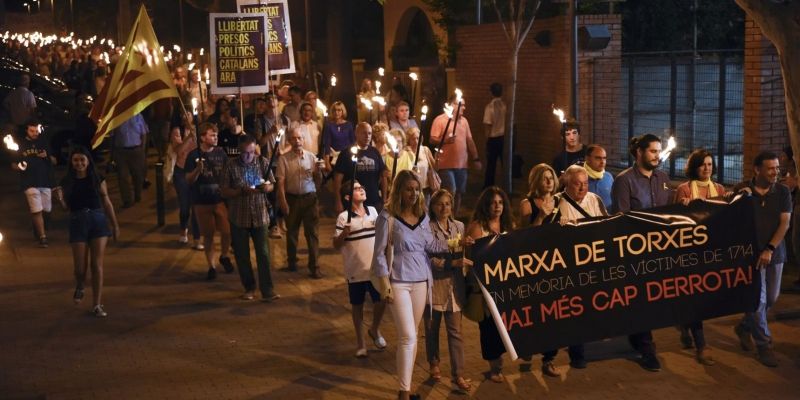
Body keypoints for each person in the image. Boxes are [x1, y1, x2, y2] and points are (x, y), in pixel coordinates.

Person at [371, 170, 458, 400]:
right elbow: (379, 253)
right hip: (398, 282)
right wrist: (384, 284)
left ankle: (406, 387)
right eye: (409, 189)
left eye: (416, 189)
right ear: (399, 190)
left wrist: (455, 243)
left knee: (413, 334)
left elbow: (431, 244)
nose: (414, 193)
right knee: (407, 336)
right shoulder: (387, 217)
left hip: (421, 281)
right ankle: (404, 392)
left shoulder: (423, 217)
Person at [611, 133, 671, 371]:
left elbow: (670, 211)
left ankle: (637, 335)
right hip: (637, 253)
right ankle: (647, 349)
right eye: (653, 151)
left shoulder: (664, 178)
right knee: (643, 299)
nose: (658, 156)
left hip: (661, 250)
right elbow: (621, 218)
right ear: (639, 153)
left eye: (659, 151)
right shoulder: (624, 181)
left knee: (651, 300)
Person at [732, 151, 791, 367]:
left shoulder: (782, 191)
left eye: (777, 168)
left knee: (772, 299)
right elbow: (725, 214)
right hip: (750, 256)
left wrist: (770, 248)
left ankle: (745, 326)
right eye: (771, 168)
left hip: (775, 255)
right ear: (757, 170)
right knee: (758, 300)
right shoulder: (742, 190)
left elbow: (784, 223)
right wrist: (741, 199)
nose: (776, 172)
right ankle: (764, 345)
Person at [673, 148, 726, 366]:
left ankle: (685, 325)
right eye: (703, 164)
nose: (707, 168)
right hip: (690, 253)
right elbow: (674, 219)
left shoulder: (720, 189)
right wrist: (683, 208)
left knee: (702, 298)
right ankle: (701, 345)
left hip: (711, 251)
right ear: (694, 166)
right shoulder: (684, 189)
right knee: (696, 297)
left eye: (710, 164)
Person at [53, 146, 119, 318]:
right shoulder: (67, 181)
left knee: (96, 265)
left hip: (98, 221)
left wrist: (115, 224)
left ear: (88, 161)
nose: (79, 163)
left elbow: (107, 202)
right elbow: (67, 208)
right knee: (79, 268)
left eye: (82, 159)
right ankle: (80, 284)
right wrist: (60, 200)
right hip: (78, 222)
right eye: (76, 160)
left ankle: (96, 304)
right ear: (71, 162)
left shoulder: (97, 178)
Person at [220, 135, 280, 302]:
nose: (249, 156)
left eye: (252, 152)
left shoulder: (262, 163)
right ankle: (249, 287)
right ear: (239, 150)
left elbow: (272, 184)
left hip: (260, 216)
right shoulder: (231, 166)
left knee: (264, 254)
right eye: (246, 153)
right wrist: (240, 192)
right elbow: (224, 190)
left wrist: (266, 188)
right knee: (242, 255)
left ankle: (267, 289)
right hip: (239, 217)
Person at [425, 189, 472, 393]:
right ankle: (434, 363)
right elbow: (430, 259)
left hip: (455, 286)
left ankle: (458, 374)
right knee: (432, 330)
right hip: (435, 286)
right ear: (432, 207)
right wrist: (453, 262)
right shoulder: (427, 228)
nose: (444, 208)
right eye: (439, 204)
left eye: (447, 204)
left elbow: (465, 252)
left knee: (456, 333)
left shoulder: (459, 226)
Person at [465, 186, 514, 383]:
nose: (497, 206)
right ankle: (495, 366)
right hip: (485, 287)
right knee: (489, 328)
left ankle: (501, 358)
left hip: (506, 284)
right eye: (493, 202)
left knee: (506, 325)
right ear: (486, 204)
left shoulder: (508, 224)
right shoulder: (478, 227)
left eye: (501, 202)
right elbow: (474, 257)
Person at [333, 180, 386, 358]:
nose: (362, 190)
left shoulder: (373, 211)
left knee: (381, 301)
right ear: (348, 197)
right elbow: (336, 244)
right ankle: (361, 343)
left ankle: (374, 329)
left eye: (362, 187)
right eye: (357, 189)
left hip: (374, 269)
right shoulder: (343, 217)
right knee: (358, 307)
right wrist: (344, 234)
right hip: (355, 271)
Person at [185, 122, 236, 280]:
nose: (215, 138)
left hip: (219, 200)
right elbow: (188, 180)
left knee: (227, 231)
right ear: (202, 137)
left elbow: (229, 173)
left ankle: (224, 255)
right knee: (208, 235)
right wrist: (197, 171)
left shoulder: (221, 153)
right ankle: (211, 266)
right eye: (212, 135)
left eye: (216, 135)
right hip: (201, 202)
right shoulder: (193, 156)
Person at [276, 127, 323, 278]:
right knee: (292, 232)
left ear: (303, 140)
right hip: (292, 198)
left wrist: (319, 172)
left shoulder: (311, 157)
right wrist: (283, 201)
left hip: (309, 198)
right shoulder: (284, 159)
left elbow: (318, 181)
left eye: (299, 138)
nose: (297, 141)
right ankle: (291, 262)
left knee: (312, 233)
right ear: (289, 141)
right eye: (293, 139)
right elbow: (280, 183)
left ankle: (314, 266)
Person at [429, 94, 482, 216]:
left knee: (459, 192)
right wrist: (446, 140)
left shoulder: (464, 122)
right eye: (461, 105)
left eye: (464, 105)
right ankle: (445, 215)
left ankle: (455, 216)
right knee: (450, 190)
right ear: (452, 105)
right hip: (445, 164)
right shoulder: (440, 120)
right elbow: (432, 139)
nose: (464, 107)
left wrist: (476, 158)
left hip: (462, 164)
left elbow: (469, 140)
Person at [12, 120, 56, 247]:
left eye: (36, 131)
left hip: (45, 181)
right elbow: (13, 164)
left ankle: (37, 226)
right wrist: (19, 166)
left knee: (46, 210)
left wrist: (47, 156)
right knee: (37, 210)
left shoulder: (43, 143)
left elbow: (54, 161)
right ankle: (43, 237)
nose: (35, 133)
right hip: (29, 182)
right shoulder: (20, 144)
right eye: (32, 131)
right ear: (26, 130)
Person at [333, 122, 388, 214]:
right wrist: (338, 201)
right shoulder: (346, 153)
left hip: (373, 201)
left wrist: (384, 198)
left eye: (369, 133)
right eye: (364, 133)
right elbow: (338, 179)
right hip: (353, 203)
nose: (367, 136)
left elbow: (383, 177)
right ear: (356, 133)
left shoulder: (375, 152)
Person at [168, 111, 202, 249]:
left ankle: (197, 238)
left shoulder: (200, 129)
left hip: (196, 169)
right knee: (185, 204)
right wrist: (188, 138)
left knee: (197, 206)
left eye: (187, 113)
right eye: (182, 114)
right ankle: (183, 231)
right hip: (181, 171)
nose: (184, 116)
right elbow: (178, 150)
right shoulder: (177, 131)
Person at [111, 113, 148, 209]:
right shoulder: (116, 117)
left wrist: (142, 150)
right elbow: (113, 135)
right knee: (123, 176)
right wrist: (112, 154)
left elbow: (144, 133)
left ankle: (137, 194)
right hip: (121, 151)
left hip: (136, 150)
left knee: (137, 174)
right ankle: (127, 200)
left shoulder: (138, 116)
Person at [518, 163, 559, 228]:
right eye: (544, 179)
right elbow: (524, 234)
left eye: (551, 178)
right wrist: (540, 217)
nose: (549, 182)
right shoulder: (527, 204)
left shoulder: (559, 201)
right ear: (536, 181)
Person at [482, 82, 506, 188]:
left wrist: (487, 141)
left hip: (493, 139)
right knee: (505, 164)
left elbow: (488, 125)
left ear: (491, 93)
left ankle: (488, 186)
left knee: (491, 164)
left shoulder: (490, 107)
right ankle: (505, 185)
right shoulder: (505, 106)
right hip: (504, 138)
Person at [321, 101, 355, 171]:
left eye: (339, 110)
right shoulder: (329, 125)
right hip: (333, 158)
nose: (336, 112)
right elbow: (327, 144)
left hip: (346, 157)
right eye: (334, 110)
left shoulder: (348, 125)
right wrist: (327, 163)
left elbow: (352, 142)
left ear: (343, 111)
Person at [406, 127, 435, 202]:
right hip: (411, 187)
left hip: (425, 186)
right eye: (413, 139)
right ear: (409, 140)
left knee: (425, 209)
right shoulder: (406, 151)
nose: (416, 141)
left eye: (417, 138)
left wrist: (438, 158)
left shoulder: (425, 149)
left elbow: (435, 167)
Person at [584, 144, 614, 209]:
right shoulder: (580, 177)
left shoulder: (608, 177)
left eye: (604, 158)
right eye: (598, 158)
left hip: (608, 217)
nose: (602, 162)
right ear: (588, 159)